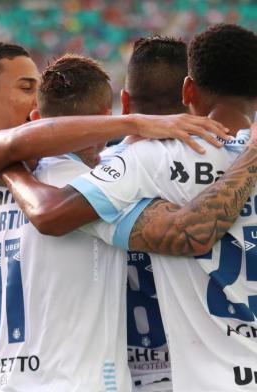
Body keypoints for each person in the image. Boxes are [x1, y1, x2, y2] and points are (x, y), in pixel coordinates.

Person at [0, 41, 228, 390]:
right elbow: (24, 160)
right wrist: (136, 124)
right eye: (27, 87)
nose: (33, 99)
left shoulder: (5, 177)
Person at [0, 24, 257, 391]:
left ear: (190, 92)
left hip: (145, 373)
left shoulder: (134, 162)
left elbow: (51, 214)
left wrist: (8, 164)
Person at [123, 36, 188, 392]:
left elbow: (49, 217)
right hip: (205, 368)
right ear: (194, 95)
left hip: (118, 373)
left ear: (124, 102)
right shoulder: (234, 167)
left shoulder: (90, 176)